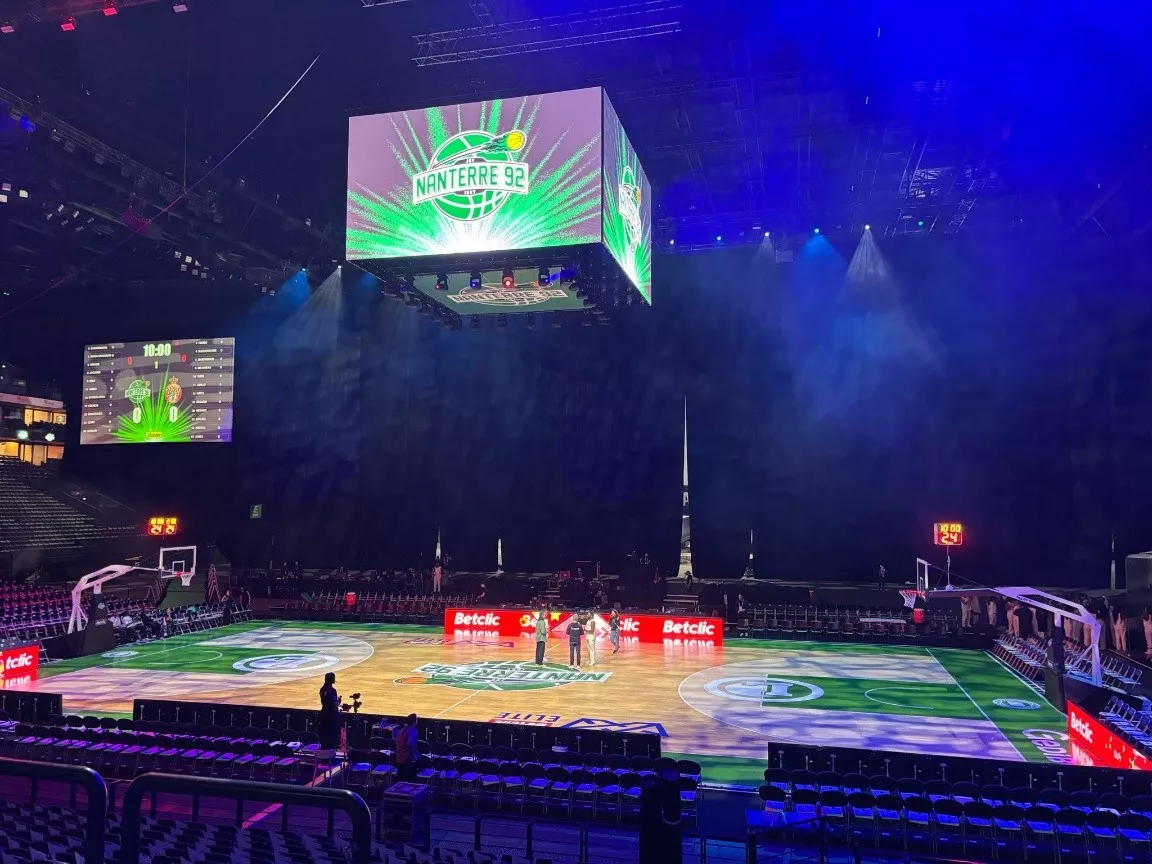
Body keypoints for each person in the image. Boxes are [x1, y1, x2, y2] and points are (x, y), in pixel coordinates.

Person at [317, 672, 341, 751]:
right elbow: (331, 704)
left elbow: (328, 703)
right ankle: (328, 756)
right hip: (330, 717)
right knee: (330, 738)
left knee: (325, 739)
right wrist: (338, 703)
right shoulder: (330, 690)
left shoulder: (323, 689)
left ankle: (325, 755)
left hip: (325, 715)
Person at [395, 713, 420, 781]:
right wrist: (415, 756)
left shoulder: (401, 730)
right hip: (408, 760)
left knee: (400, 782)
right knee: (410, 782)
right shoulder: (413, 731)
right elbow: (411, 744)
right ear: (415, 722)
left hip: (400, 758)